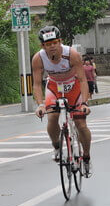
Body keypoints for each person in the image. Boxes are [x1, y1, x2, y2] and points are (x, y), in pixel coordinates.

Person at [32, 26, 92, 177]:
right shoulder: (38, 58)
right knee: (52, 117)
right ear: (43, 46)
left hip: (74, 87)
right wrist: (40, 105)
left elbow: (83, 80)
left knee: (81, 124)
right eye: (48, 44)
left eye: (55, 42)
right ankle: (57, 146)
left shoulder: (72, 54)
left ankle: (86, 157)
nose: (52, 46)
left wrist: (84, 103)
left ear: (60, 42)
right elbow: (37, 84)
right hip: (54, 87)